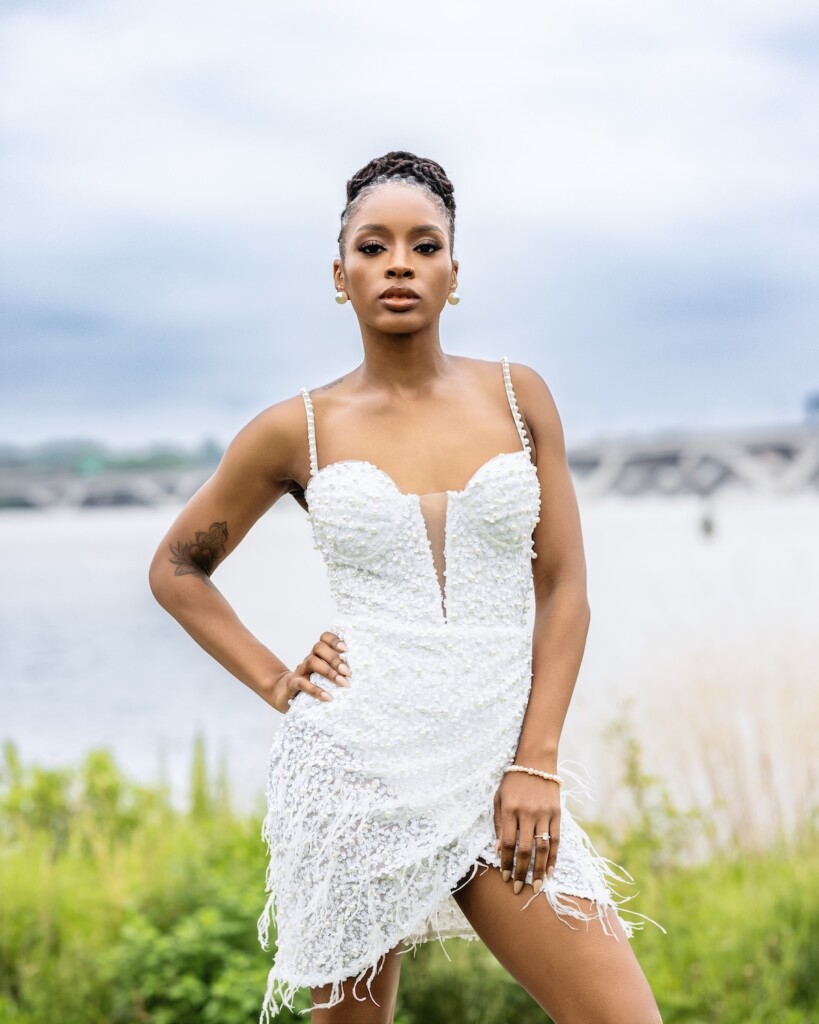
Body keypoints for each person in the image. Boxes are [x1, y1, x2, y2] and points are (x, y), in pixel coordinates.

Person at [148, 150, 663, 1024]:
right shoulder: (295, 429)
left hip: (500, 768)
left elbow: (565, 586)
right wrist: (279, 682)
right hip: (359, 773)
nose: (398, 263)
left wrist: (535, 761)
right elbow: (176, 569)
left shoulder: (517, 395)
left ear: (453, 273)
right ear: (338, 273)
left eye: (424, 246)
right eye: (372, 245)